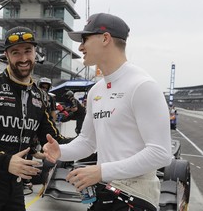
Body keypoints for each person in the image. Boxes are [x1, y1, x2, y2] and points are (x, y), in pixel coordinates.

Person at [43, 13, 172, 211]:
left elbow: (161, 153)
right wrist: (61, 151)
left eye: (85, 39)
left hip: (136, 197)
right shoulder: (97, 90)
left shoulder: (142, 85)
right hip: (105, 192)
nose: (80, 47)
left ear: (105, 38)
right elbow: (87, 141)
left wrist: (101, 171)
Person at [0, 26, 70, 211]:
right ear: (6, 55)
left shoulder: (41, 96)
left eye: (28, 51)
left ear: (36, 52)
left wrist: (94, 141)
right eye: (16, 52)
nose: (23, 58)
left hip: (16, 185)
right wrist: (6, 161)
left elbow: (54, 140)